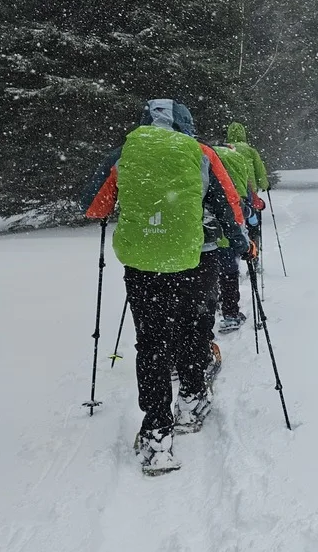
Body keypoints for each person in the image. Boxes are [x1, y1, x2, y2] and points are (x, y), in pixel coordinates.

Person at [81, 99, 250, 475]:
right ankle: (191, 401)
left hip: (143, 266)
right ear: (186, 124)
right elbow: (229, 206)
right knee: (193, 330)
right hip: (196, 260)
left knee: (152, 343)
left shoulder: (124, 153)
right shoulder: (202, 152)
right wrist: (241, 244)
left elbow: (93, 206)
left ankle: (158, 433)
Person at [211, 142, 260, 331]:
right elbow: (242, 206)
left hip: (206, 233)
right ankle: (230, 314)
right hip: (230, 231)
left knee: (208, 270)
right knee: (229, 271)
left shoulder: (205, 163)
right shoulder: (239, 159)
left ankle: (213, 303)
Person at [226, 122, 270, 252]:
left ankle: (235, 253)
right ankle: (254, 251)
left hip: (231, 193)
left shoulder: (227, 150)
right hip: (250, 194)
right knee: (254, 226)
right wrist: (265, 185)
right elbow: (260, 172)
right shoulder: (251, 151)